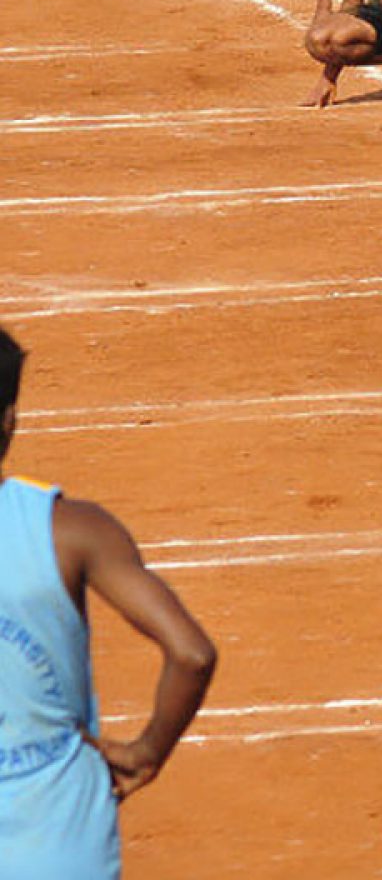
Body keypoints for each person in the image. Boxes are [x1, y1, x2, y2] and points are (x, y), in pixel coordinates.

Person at [0, 328, 217, 878]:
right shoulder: (72, 531)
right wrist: (147, 753)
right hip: (61, 845)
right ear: (8, 422)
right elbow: (191, 653)